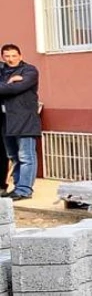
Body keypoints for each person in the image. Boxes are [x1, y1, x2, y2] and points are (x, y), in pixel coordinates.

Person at [0, 44, 42, 201]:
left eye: (13, 55)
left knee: (26, 156)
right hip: (7, 120)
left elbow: (16, 89)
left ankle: (24, 190)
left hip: (25, 120)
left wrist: (10, 85)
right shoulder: (3, 72)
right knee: (13, 156)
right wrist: (9, 83)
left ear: (20, 56)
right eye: (7, 56)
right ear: (3, 57)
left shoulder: (29, 71)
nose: (11, 59)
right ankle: (18, 187)